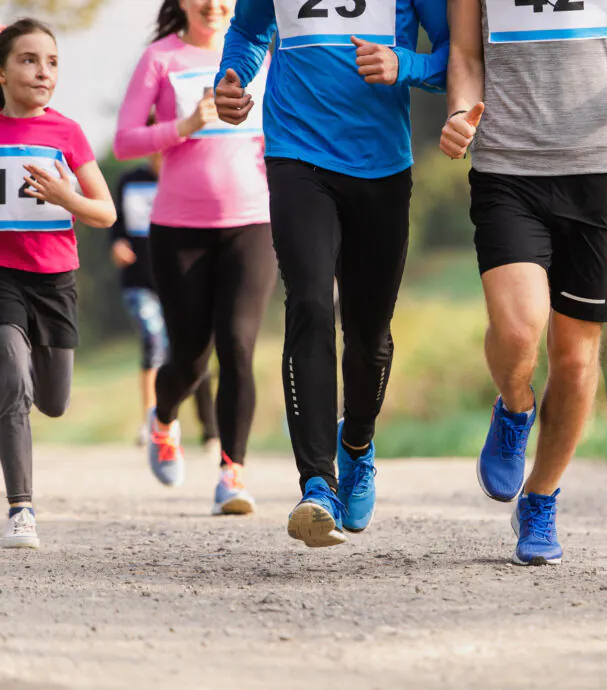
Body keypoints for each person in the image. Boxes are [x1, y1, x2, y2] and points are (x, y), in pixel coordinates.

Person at [440, 0, 607, 565]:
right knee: (518, 329)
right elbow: (465, 53)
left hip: (597, 169)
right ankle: (514, 407)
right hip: (507, 168)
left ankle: (540, 497)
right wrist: (459, 112)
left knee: (576, 359)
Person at [214, 0, 449, 546]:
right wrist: (232, 79)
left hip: (380, 165)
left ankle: (357, 444)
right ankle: (317, 484)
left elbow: (453, 57)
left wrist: (404, 65)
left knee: (369, 335)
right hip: (296, 154)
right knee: (310, 303)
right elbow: (248, 31)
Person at [114, 0, 276, 516]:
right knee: (189, 357)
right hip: (179, 228)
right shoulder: (160, 58)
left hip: (253, 222)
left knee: (238, 345)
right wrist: (183, 125)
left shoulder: (264, 54)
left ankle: (233, 473)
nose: (213, 4)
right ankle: (163, 419)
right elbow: (124, 141)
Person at [0, 19, 116, 548]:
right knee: (12, 378)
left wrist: (66, 197)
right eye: (28, 59)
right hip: (4, 277)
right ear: (3, 72)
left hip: (54, 280)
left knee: (53, 401)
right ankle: (21, 509)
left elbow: (105, 213)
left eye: (51, 61)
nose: (42, 71)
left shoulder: (66, 133)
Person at [110, 114, 220, 454]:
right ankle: (151, 418)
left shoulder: (189, 178)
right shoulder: (129, 181)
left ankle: (210, 429)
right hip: (140, 281)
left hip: (182, 278)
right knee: (154, 339)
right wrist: (117, 244)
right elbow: (116, 225)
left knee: (193, 349)